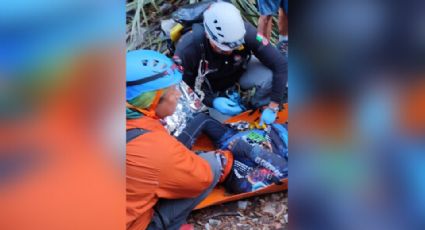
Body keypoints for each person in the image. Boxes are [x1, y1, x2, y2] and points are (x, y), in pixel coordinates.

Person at [126, 50, 226, 230]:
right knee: (212, 165)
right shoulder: (153, 147)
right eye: (173, 89)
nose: (178, 95)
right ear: (153, 101)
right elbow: (200, 178)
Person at [173, 1, 287, 124]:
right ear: (208, 35)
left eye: (235, 46)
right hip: (208, 85)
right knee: (225, 125)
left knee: (268, 77)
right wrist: (212, 101)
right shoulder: (188, 48)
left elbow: (280, 65)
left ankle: (254, 106)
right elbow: (185, 85)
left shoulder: (248, 33)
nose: (229, 51)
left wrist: (273, 105)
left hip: (238, 70)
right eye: (222, 49)